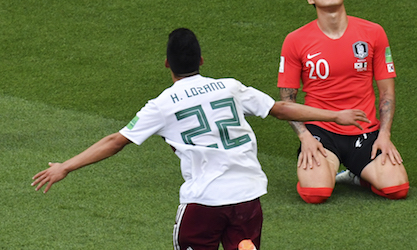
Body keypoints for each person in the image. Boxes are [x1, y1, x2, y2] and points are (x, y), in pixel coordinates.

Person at [32, 28, 369, 250]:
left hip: (205, 202)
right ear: (202, 60)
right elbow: (280, 108)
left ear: (167, 64)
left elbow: (115, 141)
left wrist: (66, 166)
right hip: (248, 197)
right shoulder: (230, 86)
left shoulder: (162, 104)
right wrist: (335, 115)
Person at [278, 0, 409, 202]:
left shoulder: (374, 33)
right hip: (322, 132)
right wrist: (305, 136)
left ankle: (357, 174)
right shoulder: (295, 40)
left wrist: (384, 134)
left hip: (365, 130)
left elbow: (387, 93)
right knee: (314, 194)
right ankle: (327, 169)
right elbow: (287, 100)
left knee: (397, 189)